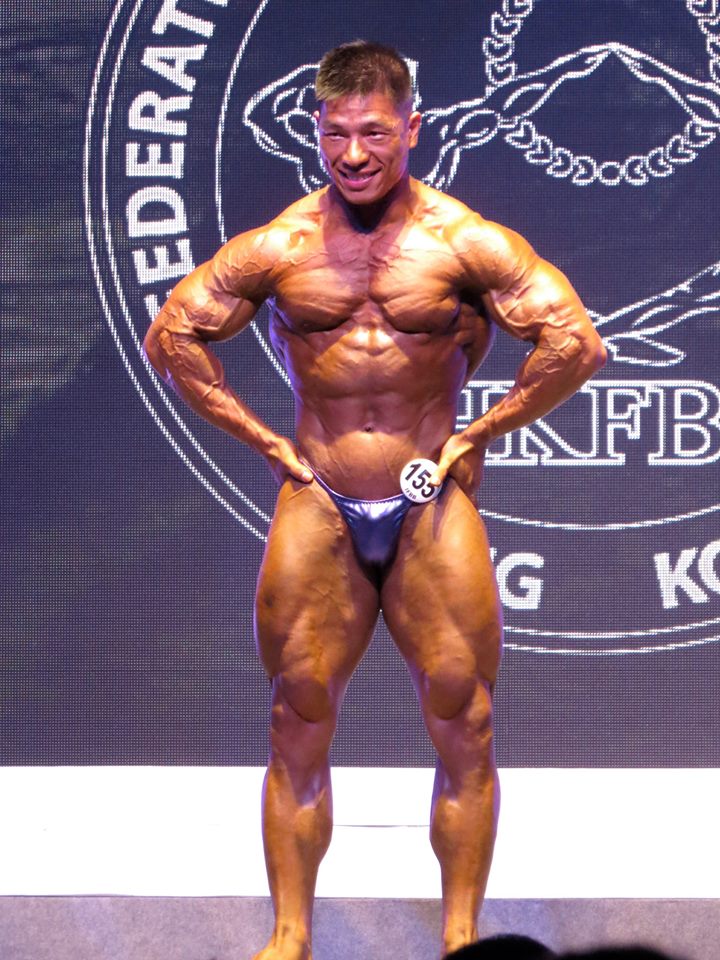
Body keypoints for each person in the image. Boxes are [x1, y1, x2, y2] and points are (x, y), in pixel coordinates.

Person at [143, 40, 606, 960]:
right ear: (318, 130)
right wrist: (264, 440)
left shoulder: (462, 240)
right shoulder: (281, 246)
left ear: (412, 129)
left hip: (429, 506)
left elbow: (574, 343)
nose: (354, 154)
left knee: (465, 721)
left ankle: (461, 939)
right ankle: (290, 938)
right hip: (319, 501)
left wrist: (477, 434)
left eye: (375, 134)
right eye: (338, 135)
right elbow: (173, 337)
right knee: (296, 717)